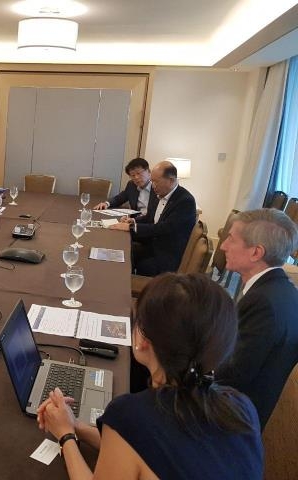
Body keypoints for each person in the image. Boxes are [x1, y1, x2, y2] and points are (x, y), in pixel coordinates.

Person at [38, 273, 263, 479]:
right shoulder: (242, 408)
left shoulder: (131, 415)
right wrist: (74, 425)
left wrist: (66, 436)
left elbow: (138, 438)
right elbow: (139, 447)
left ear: (143, 339)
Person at [216, 208, 298, 430]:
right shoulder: (282, 291)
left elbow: (232, 376)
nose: (223, 246)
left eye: (231, 239)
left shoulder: (263, 303)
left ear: (256, 253)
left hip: (232, 420)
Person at [110, 160, 196, 276]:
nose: (153, 185)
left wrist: (132, 227)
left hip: (167, 253)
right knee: (123, 249)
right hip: (154, 243)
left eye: (156, 182)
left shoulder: (185, 201)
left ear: (171, 180)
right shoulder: (161, 193)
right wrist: (133, 221)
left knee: (135, 260)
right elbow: (150, 217)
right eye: (152, 181)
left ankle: (132, 282)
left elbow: (164, 228)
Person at [93, 157, 157, 216]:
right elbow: (119, 198)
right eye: (133, 175)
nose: (136, 177)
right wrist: (106, 204)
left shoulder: (158, 187)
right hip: (135, 219)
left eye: (139, 173)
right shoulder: (131, 185)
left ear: (149, 172)